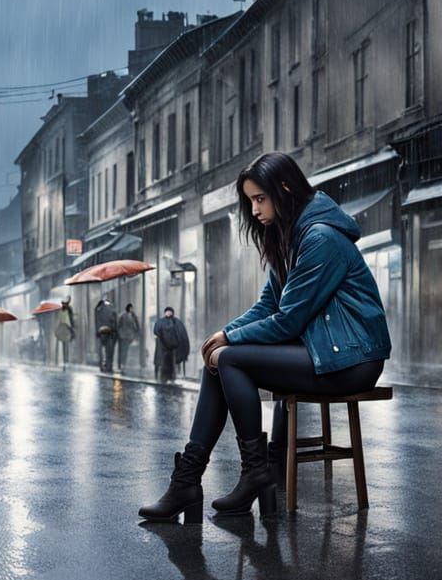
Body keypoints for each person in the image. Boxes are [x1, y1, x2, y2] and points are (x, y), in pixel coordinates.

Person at [140, 152, 391, 523]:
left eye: (260, 198)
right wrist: (222, 334)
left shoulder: (320, 239)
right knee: (218, 362)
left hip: (353, 361)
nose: (254, 210)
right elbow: (268, 306)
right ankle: (188, 482)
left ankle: (256, 473)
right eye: (250, 201)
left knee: (230, 358)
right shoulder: (289, 237)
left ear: (285, 188)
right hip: (324, 352)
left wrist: (230, 338)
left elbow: (288, 321)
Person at [152, 307, 190, 385]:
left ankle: (172, 378)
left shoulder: (177, 322)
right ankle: (164, 378)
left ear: (172, 312)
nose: (168, 313)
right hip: (163, 347)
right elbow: (156, 332)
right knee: (164, 363)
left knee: (173, 363)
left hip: (174, 347)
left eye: (170, 312)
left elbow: (182, 334)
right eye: (167, 312)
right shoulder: (160, 322)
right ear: (165, 313)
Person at [94, 296, 118, 373]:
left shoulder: (98, 309)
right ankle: (108, 366)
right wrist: (114, 332)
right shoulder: (112, 308)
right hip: (110, 332)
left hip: (102, 332)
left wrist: (98, 331)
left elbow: (97, 321)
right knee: (109, 351)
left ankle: (102, 366)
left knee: (102, 351)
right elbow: (114, 322)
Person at [117, 303, 140, 372]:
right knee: (124, 351)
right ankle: (122, 364)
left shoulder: (134, 316)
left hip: (130, 336)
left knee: (127, 351)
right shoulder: (122, 315)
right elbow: (118, 326)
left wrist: (136, 335)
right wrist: (120, 334)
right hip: (124, 336)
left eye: (132, 308)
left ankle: (125, 364)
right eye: (130, 308)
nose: (131, 309)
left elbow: (137, 326)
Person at [54, 299, 76, 369]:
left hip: (66, 327)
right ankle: (65, 359)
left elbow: (70, 319)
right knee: (65, 344)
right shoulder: (62, 311)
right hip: (64, 327)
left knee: (66, 344)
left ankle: (66, 359)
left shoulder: (67, 310)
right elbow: (61, 320)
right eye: (63, 303)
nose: (64, 305)